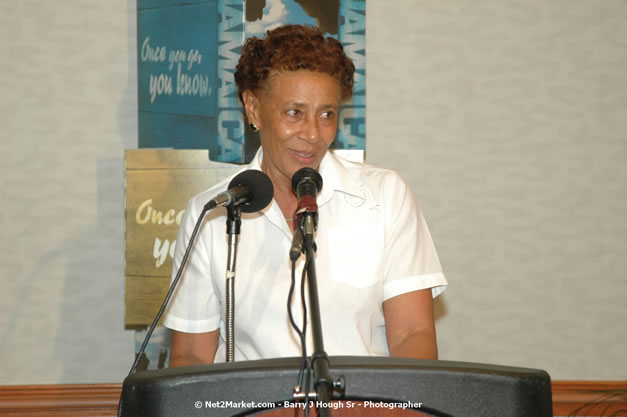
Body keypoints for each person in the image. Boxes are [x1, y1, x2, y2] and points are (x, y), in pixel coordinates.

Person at [164, 25, 447, 366]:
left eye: (326, 114)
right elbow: (191, 353)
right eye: (294, 113)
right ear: (253, 108)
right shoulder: (211, 214)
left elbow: (412, 335)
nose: (313, 134)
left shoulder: (384, 196)